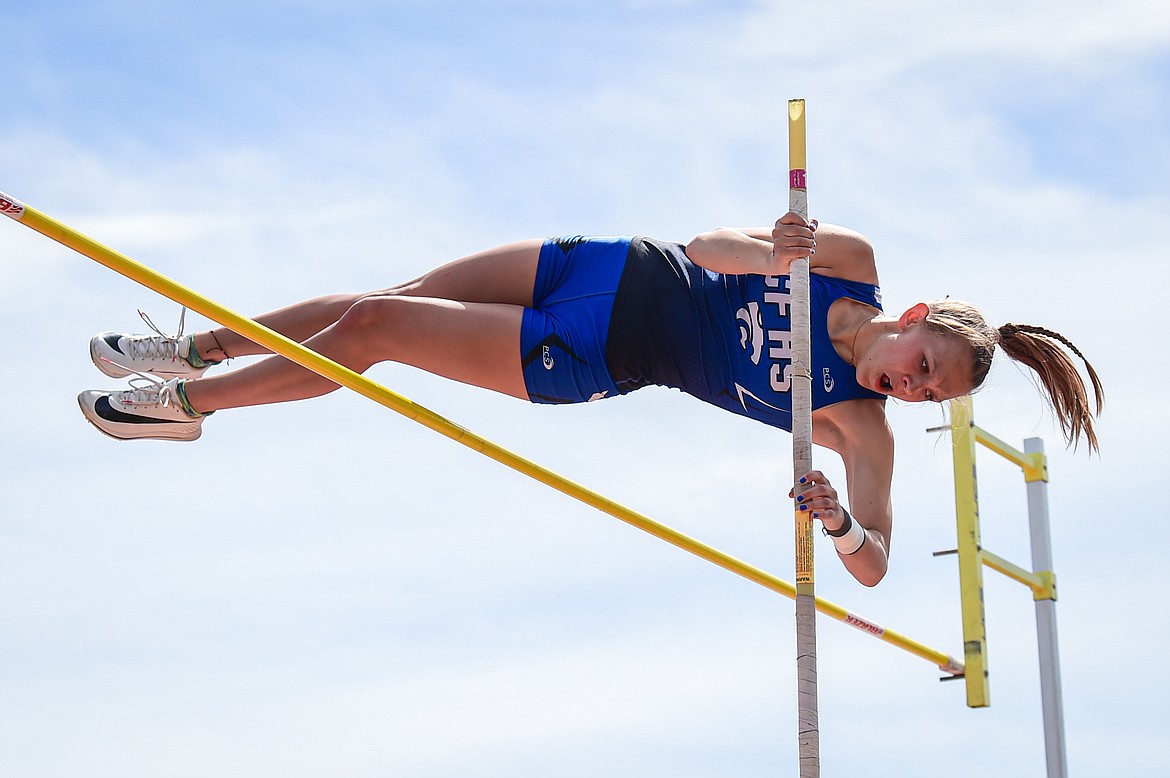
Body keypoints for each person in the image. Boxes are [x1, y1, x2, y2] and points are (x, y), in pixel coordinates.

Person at [78, 213, 1103, 586]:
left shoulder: (853, 424)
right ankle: (183, 348)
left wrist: (838, 523)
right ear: (914, 314)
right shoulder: (852, 261)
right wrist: (772, 254)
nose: (916, 388)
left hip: (591, 349)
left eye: (931, 396)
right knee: (378, 301)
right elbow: (709, 248)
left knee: (374, 338)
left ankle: (195, 402)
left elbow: (875, 563)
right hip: (608, 262)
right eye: (928, 365)